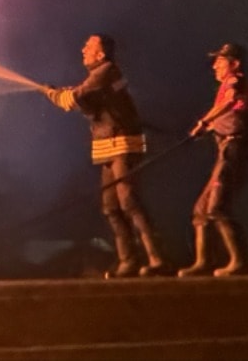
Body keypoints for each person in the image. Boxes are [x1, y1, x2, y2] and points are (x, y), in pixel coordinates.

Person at [41, 34, 168, 278]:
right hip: (108, 145)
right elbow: (84, 99)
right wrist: (60, 93)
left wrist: (50, 93)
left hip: (122, 144)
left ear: (101, 54)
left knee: (129, 201)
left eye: (89, 46)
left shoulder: (106, 71)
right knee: (111, 207)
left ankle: (157, 259)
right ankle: (128, 262)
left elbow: (72, 99)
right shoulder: (100, 75)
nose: (83, 49)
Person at [178, 42, 248, 277]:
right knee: (201, 209)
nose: (215, 65)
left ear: (235, 63)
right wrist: (207, 127)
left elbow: (229, 102)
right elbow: (226, 112)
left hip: (234, 150)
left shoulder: (237, 81)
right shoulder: (227, 86)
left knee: (218, 206)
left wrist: (204, 122)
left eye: (220, 61)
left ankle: (239, 262)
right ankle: (203, 262)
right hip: (225, 149)